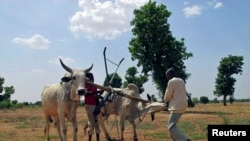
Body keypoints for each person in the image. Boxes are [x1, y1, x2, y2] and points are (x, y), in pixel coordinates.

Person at [164, 68, 191, 141]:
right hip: (183, 105)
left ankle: (186, 140)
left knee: (170, 126)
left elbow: (168, 95)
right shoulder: (181, 80)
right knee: (173, 125)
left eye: (167, 75)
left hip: (177, 106)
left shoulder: (171, 81)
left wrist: (165, 101)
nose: (167, 77)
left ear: (170, 75)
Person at [84, 72, 103, 141]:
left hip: (95, 105)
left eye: (93, 77)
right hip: (89, 106)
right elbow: (86, 93)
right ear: (87, 78)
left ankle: (98, 139)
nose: (93, 78)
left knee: (97, 123)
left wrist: (101, 92)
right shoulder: (85, 85)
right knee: (92, 123)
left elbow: (95, 96)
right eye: (91, 77)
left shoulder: (94, 86)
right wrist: (96, 92)